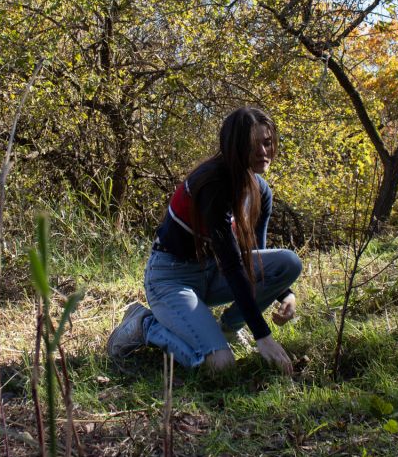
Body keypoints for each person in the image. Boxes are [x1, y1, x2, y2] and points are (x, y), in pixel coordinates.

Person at [106, 107, 302, 373]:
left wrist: (285, 293)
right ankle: (145, 325)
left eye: (267, 143)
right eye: (252, 145)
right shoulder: (212, 184)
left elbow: (254, 254)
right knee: (220, 366)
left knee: (289, 263)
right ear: (234, 146)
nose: (263, 152)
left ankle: (229, 329)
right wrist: (263, 336)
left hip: (213, 273)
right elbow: (233, 265)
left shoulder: (260, 191)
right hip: (172, 279)